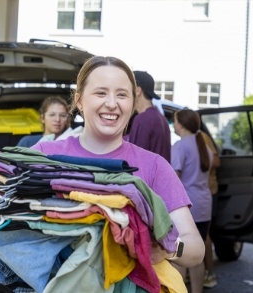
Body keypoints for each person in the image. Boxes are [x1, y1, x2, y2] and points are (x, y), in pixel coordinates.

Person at [32, 56, 205, 269]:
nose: (112, 104)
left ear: (133, 102)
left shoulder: (154, 166)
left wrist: (166, 246)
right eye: (100, 93)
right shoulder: (42, 155)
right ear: (79, 100)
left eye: (122, 95)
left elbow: (196, 249)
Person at [171, 109, 213, 293]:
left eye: (174, 120)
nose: (173, 124)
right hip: (204, 205)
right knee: (198, 257)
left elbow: (173, 179)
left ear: (181, 124)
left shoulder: (180, 146)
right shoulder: (204, 146)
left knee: (181, 256)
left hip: (186, 208)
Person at [126, 71, 171, 163]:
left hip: (146, 177)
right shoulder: (160, 117)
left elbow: (136, 161)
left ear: (138, 91)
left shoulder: (143, 119)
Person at [201, 131, 220, 288]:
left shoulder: (200, 137)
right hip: (203, 193)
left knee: (203, 235)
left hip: (206, 191)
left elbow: (216, 161)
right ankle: (204, 273)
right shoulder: (188, 141)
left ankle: (209, 273)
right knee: (202, 235)